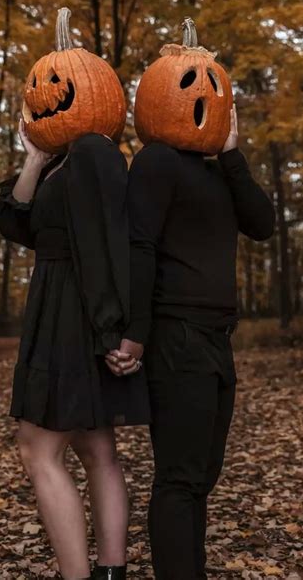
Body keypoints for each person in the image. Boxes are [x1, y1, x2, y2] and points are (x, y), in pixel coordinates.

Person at [107, 103, 276, 580]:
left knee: (202, 478)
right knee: (180, 480)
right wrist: (135, 332)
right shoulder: (156, 159)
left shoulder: (220, 172)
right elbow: (138, 244)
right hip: (176, 337)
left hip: (218, 341)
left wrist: (232, 154)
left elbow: (263, 224)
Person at [0, 117, 149, 580]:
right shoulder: (57, 163)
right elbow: (12, 221)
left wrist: (110, 330)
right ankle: (110, 572)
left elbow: (107, 245)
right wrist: (35, 158)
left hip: (75, 312)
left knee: (36, 449)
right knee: (96, 446)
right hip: (55, 309)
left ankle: (80, 575)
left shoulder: (92, 152)